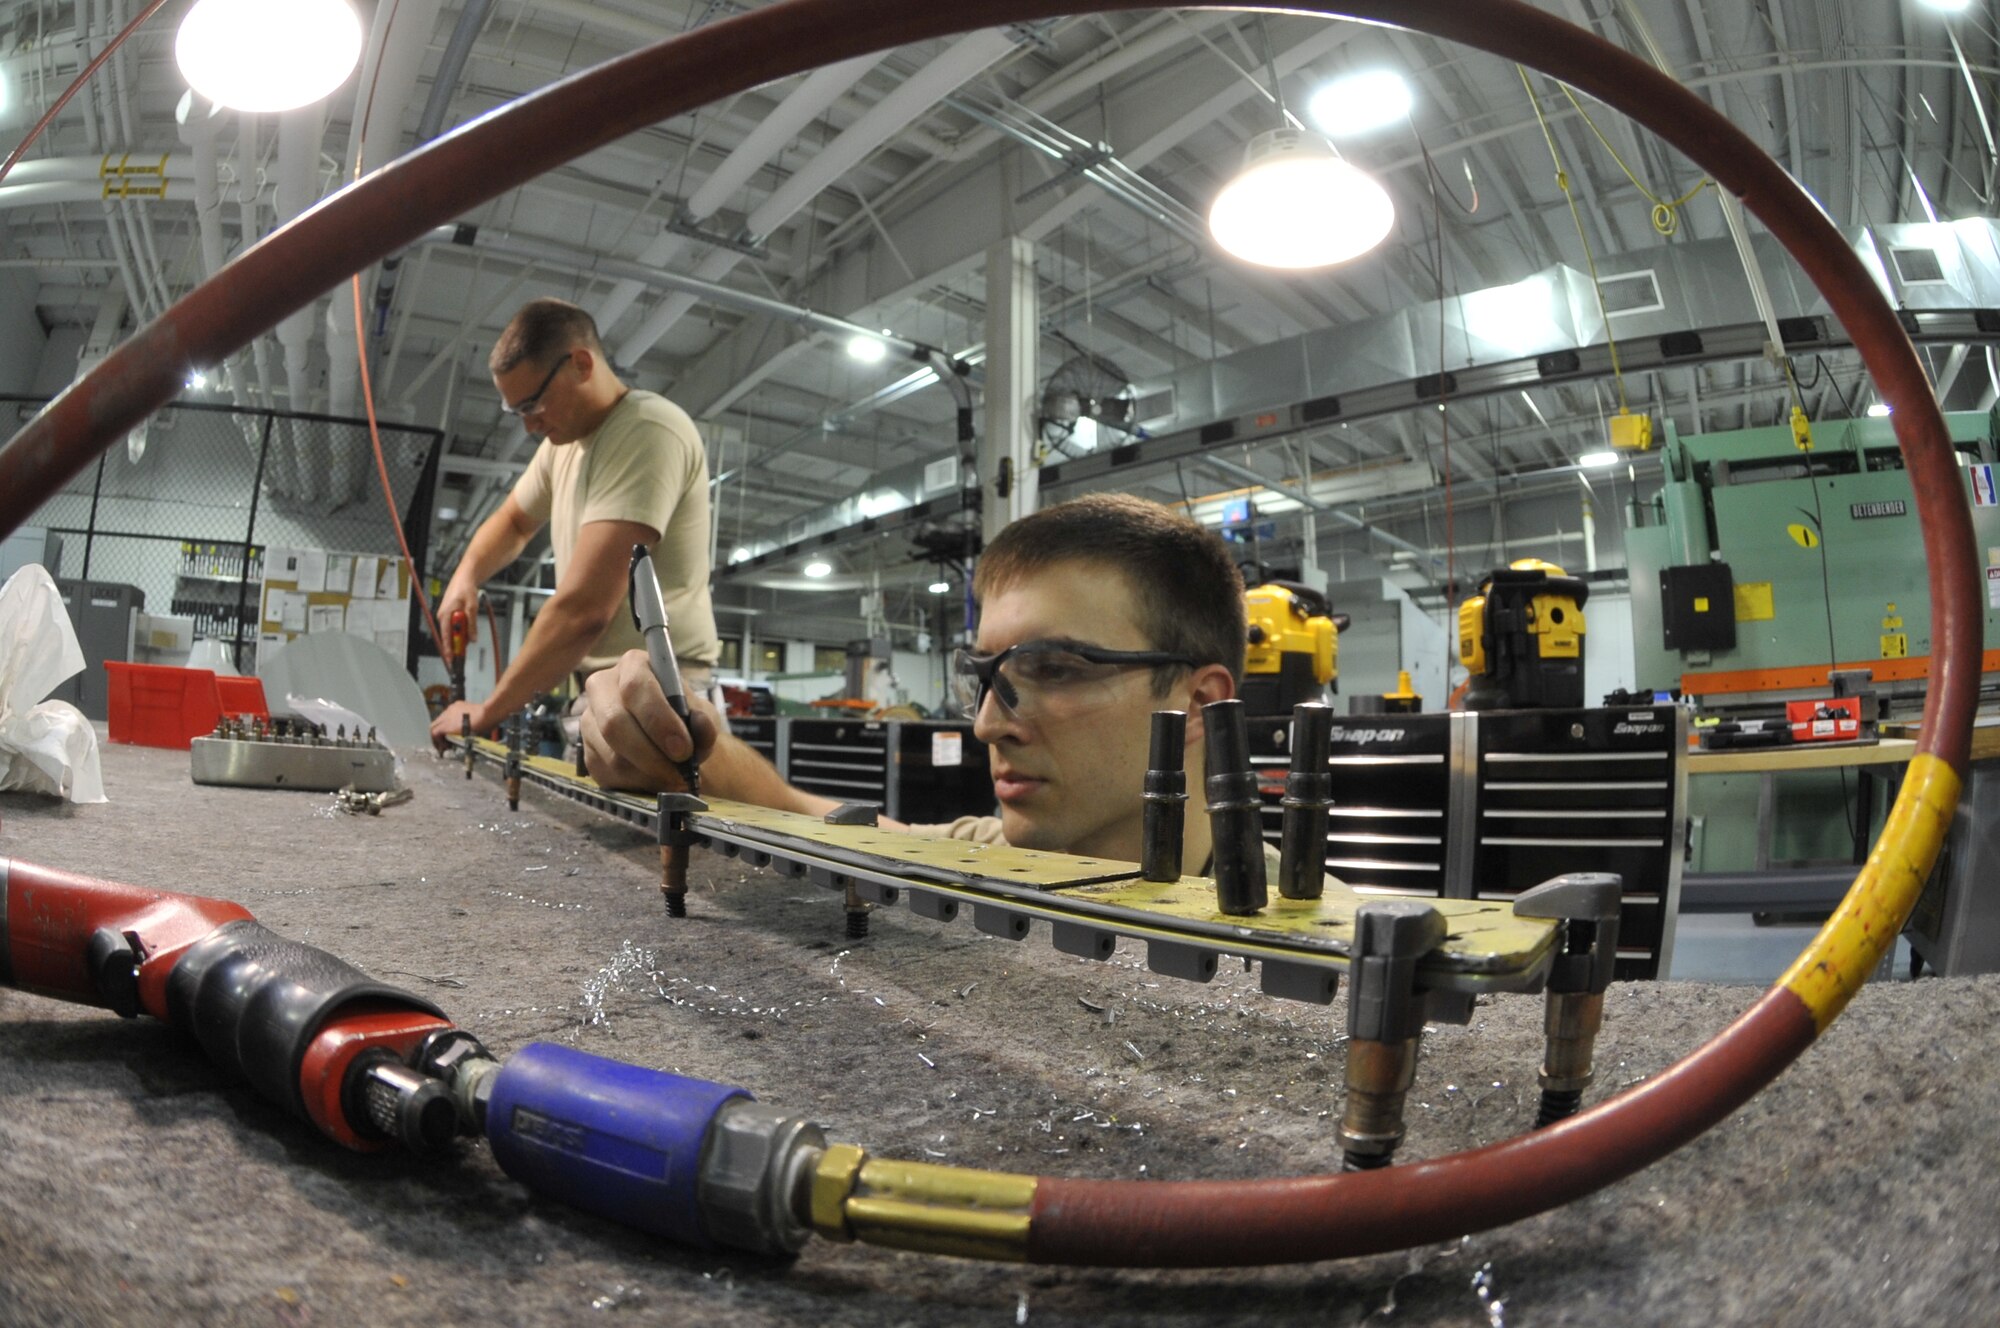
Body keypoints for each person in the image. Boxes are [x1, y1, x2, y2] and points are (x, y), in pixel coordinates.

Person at [583, 493, 1275, 875]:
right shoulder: (996, 853)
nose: (986, 726)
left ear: (1198, 703)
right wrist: (688, 748)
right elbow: (820, 815)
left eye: (1053, 669)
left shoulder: (1328, 938)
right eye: (986, 676)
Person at [429, 298, 720, 747]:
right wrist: (465, 577)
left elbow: (583, 609)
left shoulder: (646, 431)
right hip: (606, 692)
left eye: (532, 404)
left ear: (581, 364)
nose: (528, 426)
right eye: (518, 412)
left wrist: (487, 712)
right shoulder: (562, 446)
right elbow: (513, 521)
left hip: (662, 692)